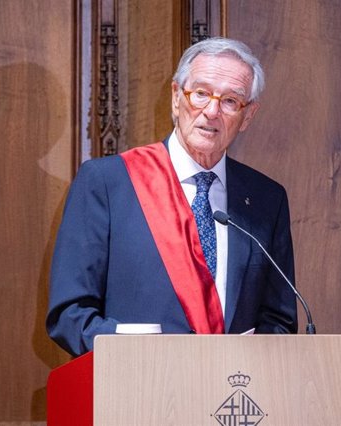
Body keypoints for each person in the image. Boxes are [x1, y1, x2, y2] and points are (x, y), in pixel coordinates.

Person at [46, 37, 298, 357]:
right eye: (201, 94)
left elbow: (279, 318)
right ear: (176, 97)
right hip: (137, 392)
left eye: (231, 101)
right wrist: (146, 354)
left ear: (247, 116)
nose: (212, 111)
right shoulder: (107, 183)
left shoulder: (266, 199)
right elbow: (69, 315)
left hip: (231, 397)